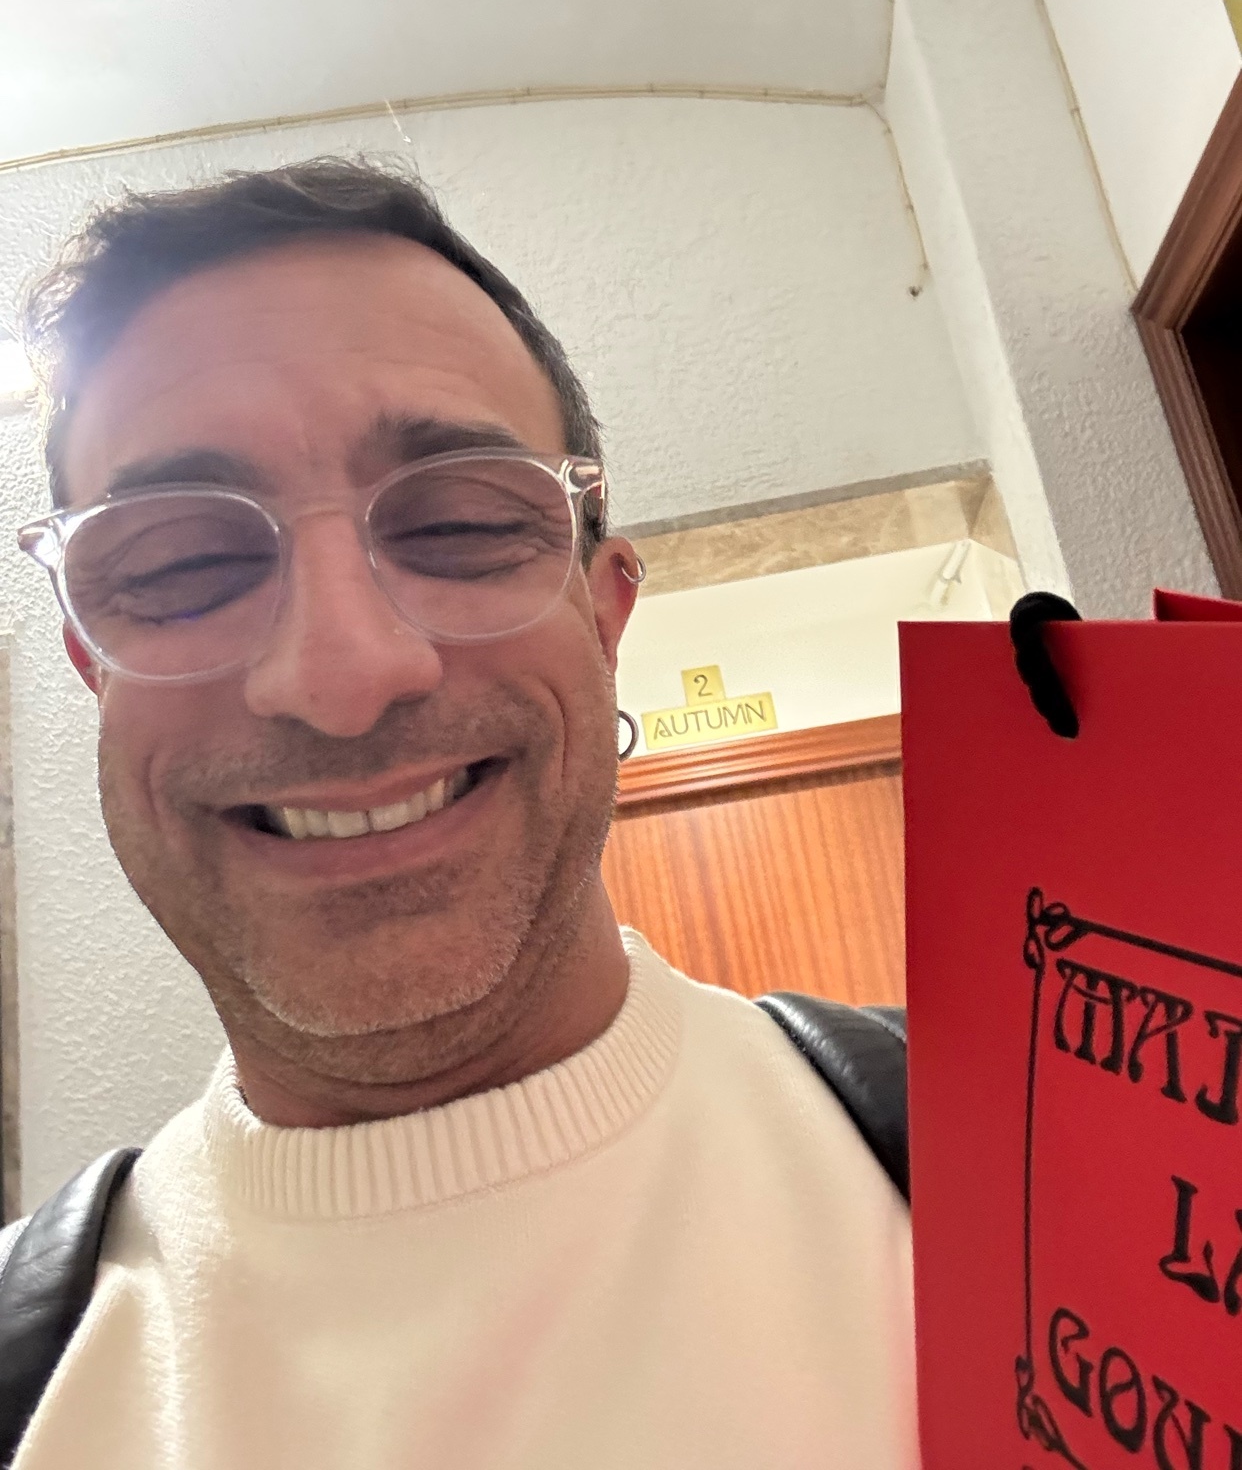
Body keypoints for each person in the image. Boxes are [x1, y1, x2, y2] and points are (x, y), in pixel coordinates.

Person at [11, 158, 915, 1469]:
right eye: (184, 563)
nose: (342, 674)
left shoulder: (1055, 1167)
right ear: (95, 669)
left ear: (604, 618)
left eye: (461, 527)